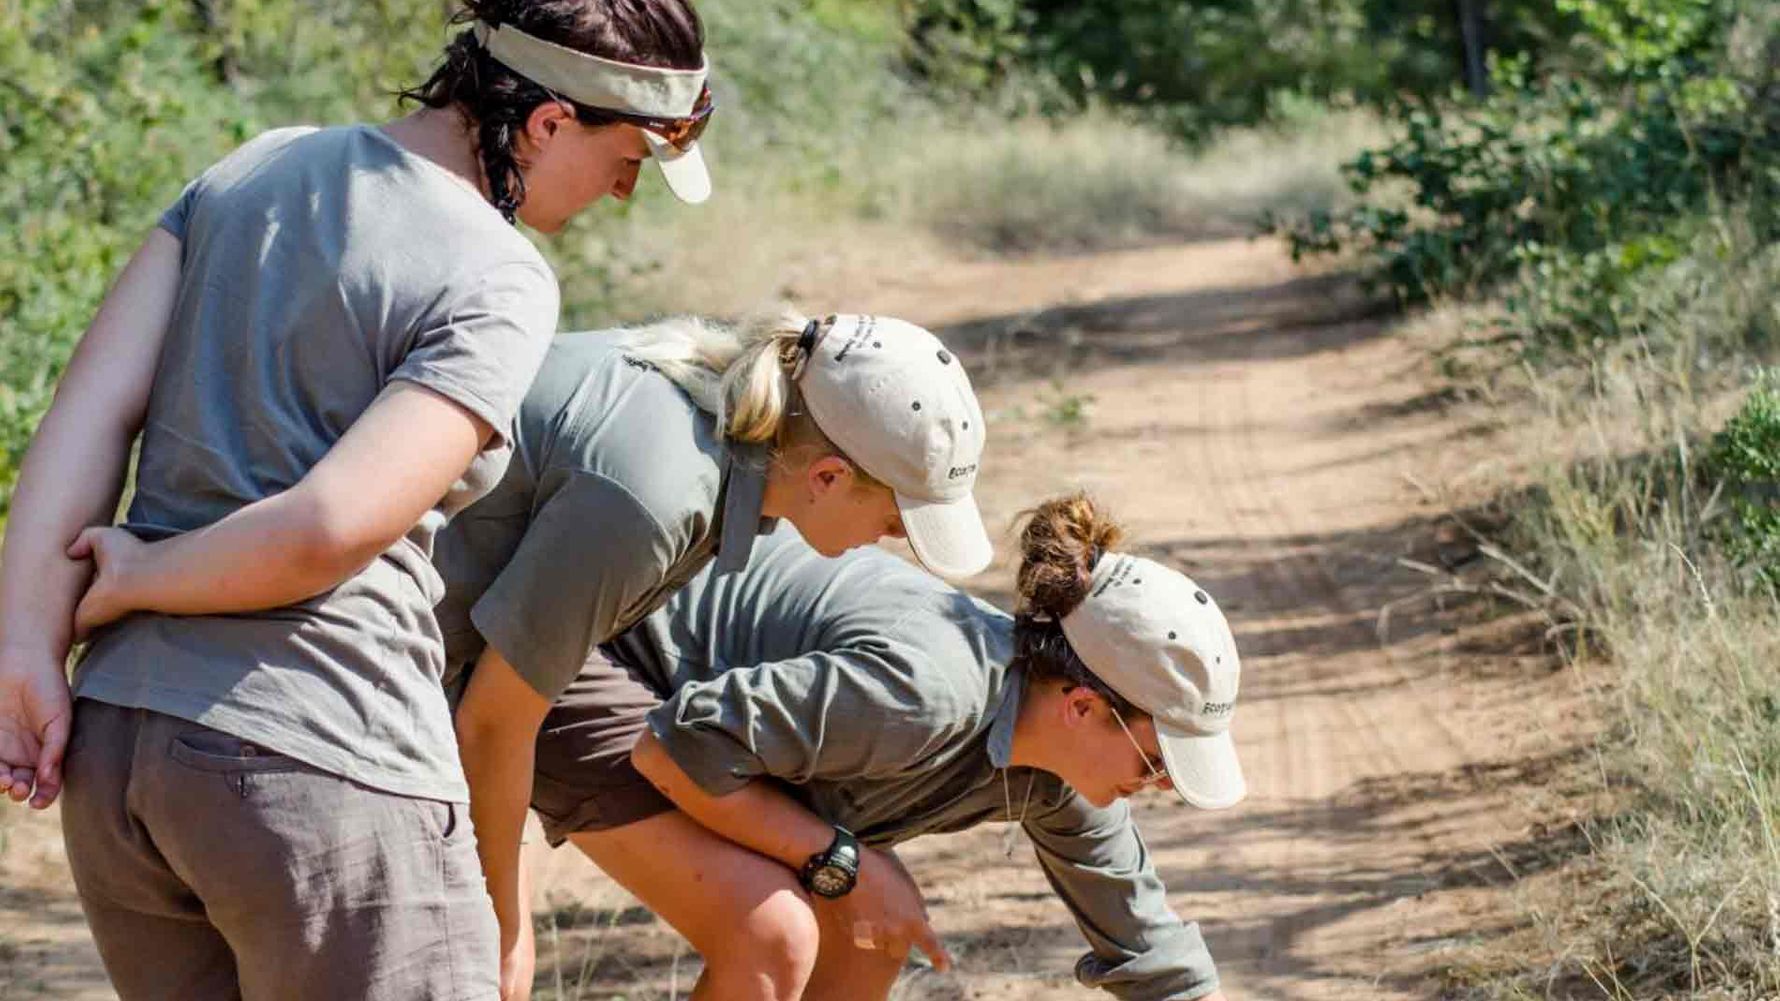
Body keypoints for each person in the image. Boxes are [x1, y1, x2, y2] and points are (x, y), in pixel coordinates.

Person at [0, 2, 711, 997]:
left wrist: (27, 643)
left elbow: (86, 413)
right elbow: (329, 527)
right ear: (549, 122)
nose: (622, 191)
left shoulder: (253, 169)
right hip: (324, 753)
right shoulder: (499, 273)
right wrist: (135, 577)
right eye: (627, 160)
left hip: (121, 755)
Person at [439, 310, 994, 993]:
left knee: (776, 925)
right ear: (827, 477)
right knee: (486, 969)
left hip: (477, 660)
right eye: (893, 517)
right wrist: (500, 925)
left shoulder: (721, 453)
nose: (895, 540)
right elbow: (493, 722)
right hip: (375, 655)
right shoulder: (658, 495)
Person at [529, 493, 1243, 1000]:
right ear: (1082, 705)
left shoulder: (1056, 776)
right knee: (773, 930)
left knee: (870, 933)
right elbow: (676, 749)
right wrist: (845, 861)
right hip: (593, 637)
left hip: (702, 721)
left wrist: (849, 871)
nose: (1163, 786)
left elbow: (1152, 951)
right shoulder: (923, 694)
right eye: (1157, 760)